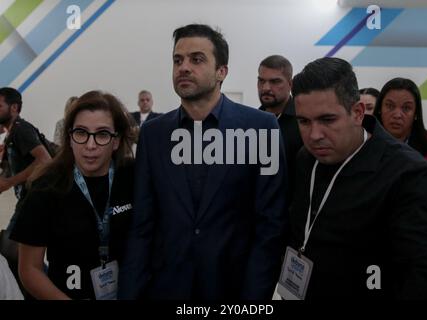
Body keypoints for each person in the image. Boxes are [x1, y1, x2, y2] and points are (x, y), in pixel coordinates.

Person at [119, 24, 287, 300]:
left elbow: (270, 226)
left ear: (222, 71)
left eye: (196, 59)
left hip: (232, 289)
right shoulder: (154, 133)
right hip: (167, 288)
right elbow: (143, 224)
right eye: (177, 60)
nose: (183, 67)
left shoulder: (261, 128)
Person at [288, 57, 427, 299]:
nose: (314, 135)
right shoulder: (306, 158)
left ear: (357, 112)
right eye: (304, 121)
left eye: (327, 119)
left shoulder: (410, 174)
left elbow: (422, 277)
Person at [9, 91, 135, 300]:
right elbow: (30, 269)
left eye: (102, 134)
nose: (90, 145)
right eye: (81, 132)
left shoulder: (133, 176)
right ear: (69, 137)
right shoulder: (46, 187)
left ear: (116, 141)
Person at [373, 77, 427, 280]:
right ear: (380, 109)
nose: (397, 114)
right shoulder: (362, 144)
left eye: (406, 108)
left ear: (416, 114)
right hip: (373, 254)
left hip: (423, 251)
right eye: (389, 106)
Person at [0, 87, 52, 231]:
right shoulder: (12, 133)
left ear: (14, 107)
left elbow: (45, 160)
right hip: (28, 198)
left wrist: (9, 182)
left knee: (10, 245)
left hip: (35, 198)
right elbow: (11, 167)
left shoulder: (21, 129)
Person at [258, 55, 303, 201]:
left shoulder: (304, 122)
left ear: (290, 84)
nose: (266, 88)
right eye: (261, 81)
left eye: (275, 81)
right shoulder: (251, 122)